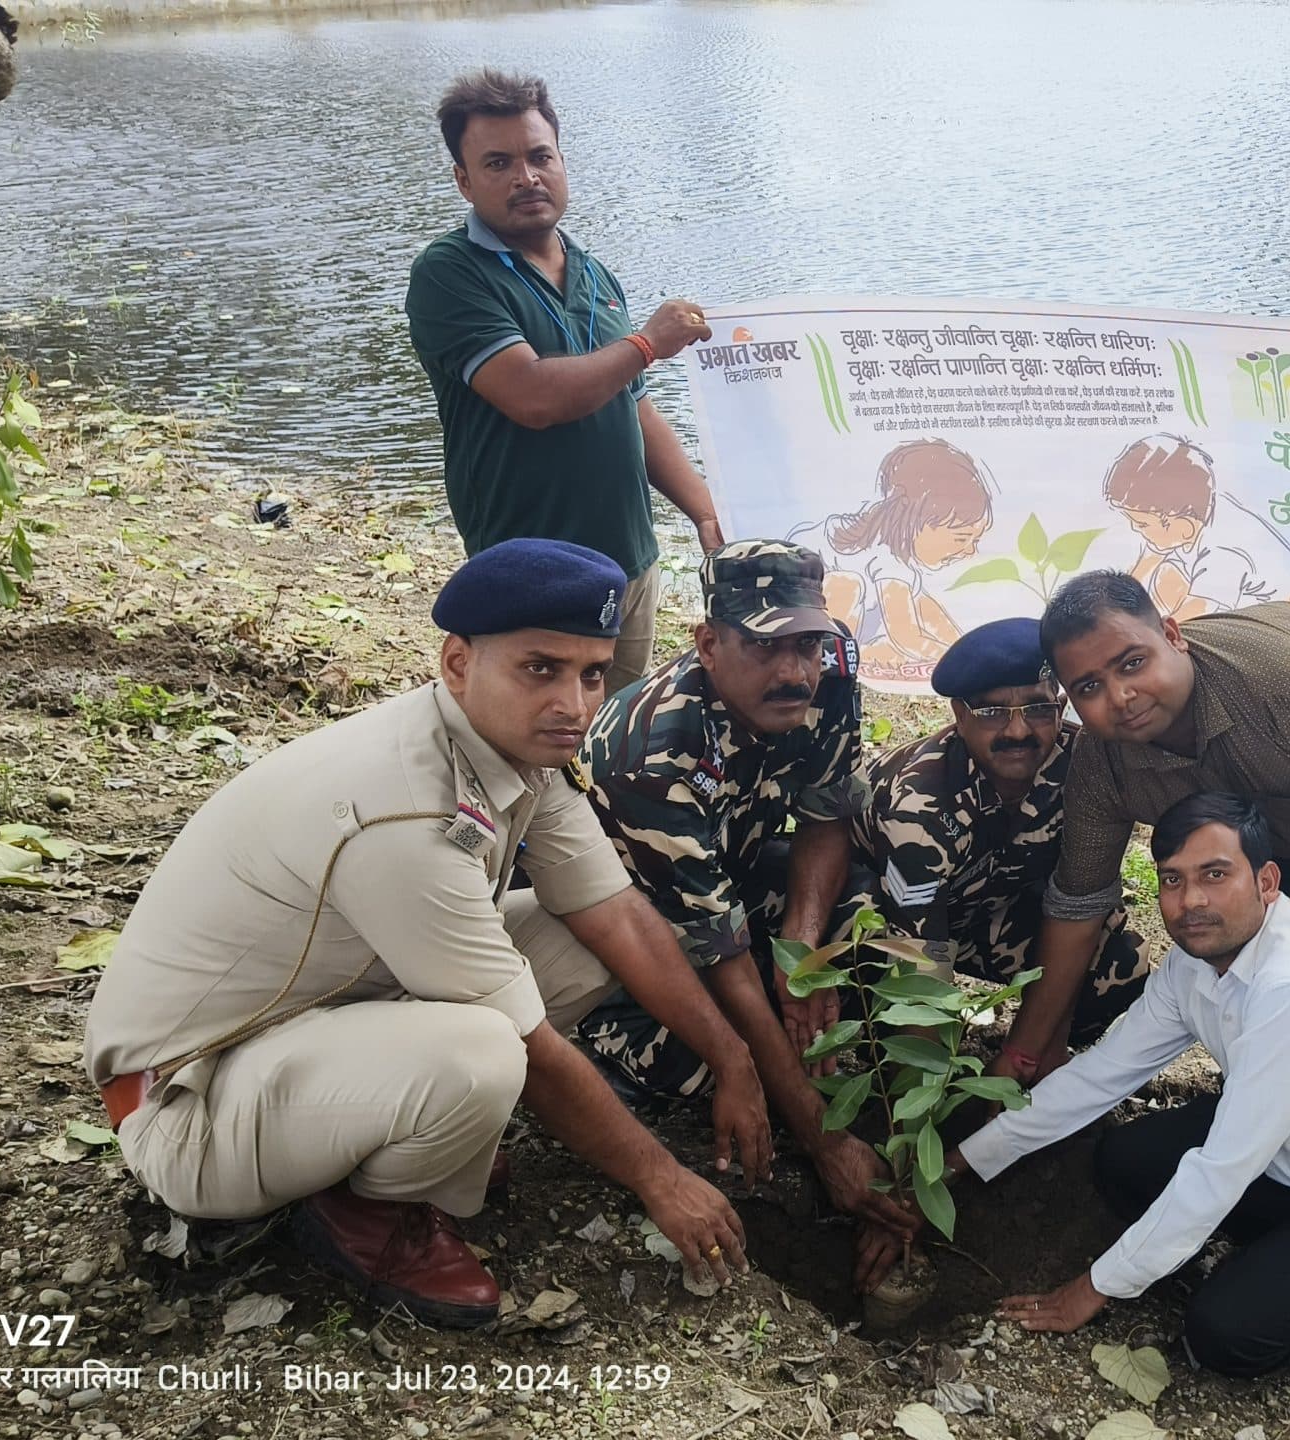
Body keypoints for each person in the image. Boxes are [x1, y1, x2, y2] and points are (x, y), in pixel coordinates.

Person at [82, 540, 773, 1328]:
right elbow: (531, 1049)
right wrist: (663, 1179)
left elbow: (615, 916)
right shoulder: (406, 810)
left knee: (575, 941)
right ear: (456, 663)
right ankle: (369, 1209)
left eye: (591, 673)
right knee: (484, 1053)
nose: (576, 705)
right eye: (539, 668)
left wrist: (733, 1059)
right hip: (185, 1105)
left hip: (295, 1026)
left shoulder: (511, 746)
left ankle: (384, 1125)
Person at [907, 794, 1290, 1380]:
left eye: (1215, 874)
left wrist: (1091, 1289)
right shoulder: (1194, 960)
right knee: (1124, 1160)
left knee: (1223, 1337)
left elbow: (1222, 1168)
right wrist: (958, 1163)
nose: (1192, 902)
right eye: (1172, 881)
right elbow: (1100, 1074)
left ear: (1267, 881)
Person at [568, 540, 916, 1250]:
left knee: (872, 907)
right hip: (633, 927)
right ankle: (610, 1048)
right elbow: (714, 951)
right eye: (765, 648)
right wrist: (825, 1142)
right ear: (709, 644)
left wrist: (801, 952)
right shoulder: (657, 753)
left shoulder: (831, 676)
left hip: (735, 871)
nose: (794, 672)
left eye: (807, 645)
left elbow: (826, 814)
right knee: (714, 1072)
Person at [1001, 573, 1290, 1080]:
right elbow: (1080, 901)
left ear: (1173, 635)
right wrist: (1026, 1050)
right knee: (1242, 960)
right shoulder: (1102, 767)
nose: (1121, 697)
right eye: (1090, 687)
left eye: (1133, 663)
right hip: (1270, 818)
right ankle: (1262, 1098)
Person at [405, 69, 726, 692]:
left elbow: (633, 406)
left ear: (560, 162)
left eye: (538, 156)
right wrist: (646, 343)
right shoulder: (449, 274)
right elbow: (533, 396)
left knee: (611, 735)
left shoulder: (593, 273)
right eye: (497, 163)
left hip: (629, 564)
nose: (525, 177)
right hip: (531, 572)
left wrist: (705, 511)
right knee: (537, 739)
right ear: (463, 181)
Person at [851, 617, 1153, 1051]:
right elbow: (918, 957)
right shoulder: (920, 806)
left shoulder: (1085, 766)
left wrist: (1034, 1049)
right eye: (992, 712)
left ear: (1060, 704)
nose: (1018, 731)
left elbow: (1079, 905)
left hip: (986, 910)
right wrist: (927, 1099)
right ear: (959, 715)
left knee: (1118, 961)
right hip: (891, 919)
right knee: (868, 962)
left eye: (1037, 708)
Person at [808, 437, 995, 674]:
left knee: (912, 606)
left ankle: (863, 651)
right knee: (847, 585)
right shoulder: (886, 556)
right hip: (811, 615)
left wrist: (966, 650)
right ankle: (848, 657)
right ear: (916, 522)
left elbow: (929, 614)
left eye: (975, 541)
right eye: (961, 539)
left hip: (841, 620)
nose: (970, 550)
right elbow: (905, 634)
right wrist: (956, 661)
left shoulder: (900, 561)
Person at [1102, 433, 1290, 619]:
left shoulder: (1226, 550)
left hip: (1279, 623)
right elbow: (1135, 578)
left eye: (1141, 524)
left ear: (1185, 528)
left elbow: (1193, 615)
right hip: (1235, 604)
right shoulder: (1186, 509)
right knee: (1164, 576)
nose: (1134, 529)